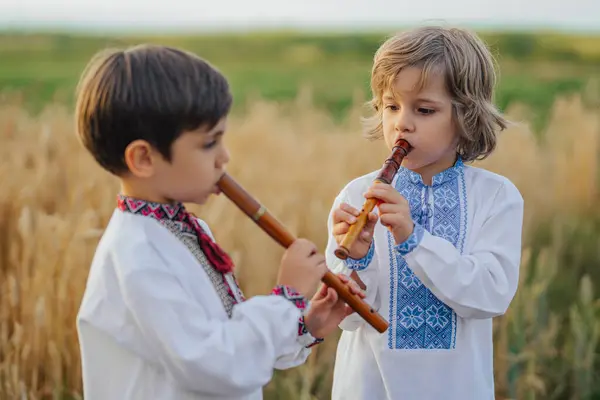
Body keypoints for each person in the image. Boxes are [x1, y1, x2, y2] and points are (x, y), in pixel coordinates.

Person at [74, 44, 364, 400]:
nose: (224, 157)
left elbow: (228, 340)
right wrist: (286, 298)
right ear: (144, 158)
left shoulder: (181, 230)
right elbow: (218, 366)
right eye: (209, 143)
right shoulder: (136, 256)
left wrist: (305, 324)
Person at [325, 26, 524, 399]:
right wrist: (357, 258)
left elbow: (490, 296)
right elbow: (348, 319)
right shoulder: (355, 194)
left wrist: (414, 240)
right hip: (368, 389)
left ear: (467, 116)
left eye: (425, 109)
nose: (402, 122)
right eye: (391, 106)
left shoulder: (496, 197)